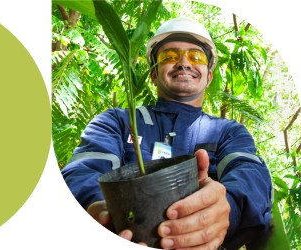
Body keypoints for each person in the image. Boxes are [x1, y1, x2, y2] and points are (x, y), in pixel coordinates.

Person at [60, 17, 273, 250]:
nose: (183, 62)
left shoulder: (229, 132)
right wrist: (99, 208)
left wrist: (225, 209)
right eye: (169, 56)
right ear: (153, 74)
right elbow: (83, 170)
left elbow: (250, 174)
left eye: (196, 57)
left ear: (208, 76)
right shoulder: (117, 121)